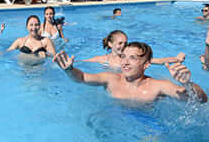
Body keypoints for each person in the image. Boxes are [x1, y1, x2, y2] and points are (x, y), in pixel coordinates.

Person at [54, 42, 207, 103]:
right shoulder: (111, 79)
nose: (125, 62)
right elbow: (81, 78)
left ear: (146, 64)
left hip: (148, 123)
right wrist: (69, 70)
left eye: (132, 58)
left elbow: (200, 99)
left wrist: (187, 83)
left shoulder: (157, 86)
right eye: (123, 57)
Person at [83, 30, 185, 69]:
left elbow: (158, 61)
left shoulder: (131, 59)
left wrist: (177, 58)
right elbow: (82, 63)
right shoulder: (102, 59)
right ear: (110, 44)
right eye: (120, 43)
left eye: (125, 43)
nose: (123, 46)